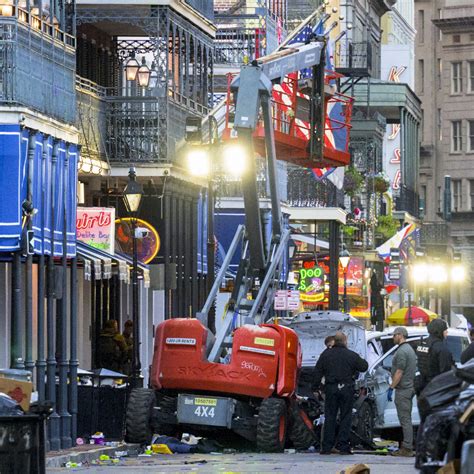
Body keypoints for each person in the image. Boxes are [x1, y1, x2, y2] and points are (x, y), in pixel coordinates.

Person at [312, 331, 369, 455]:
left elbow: (317, 372)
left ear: (334, 341)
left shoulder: (326, 354)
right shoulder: (351, 355)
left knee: (330, 417)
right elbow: (364, 366)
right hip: (346, 389)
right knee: (345, 417)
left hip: (331, 389)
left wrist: (315, 388)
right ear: (345, 341)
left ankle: (327, 447)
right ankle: (343, 446)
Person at [387, 327, 417, 457]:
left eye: (394, 336)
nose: (393, 338)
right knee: (406, 419)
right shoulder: (409, 349)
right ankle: (407, 446)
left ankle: (407, 448)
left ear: (400, 335)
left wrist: (391, 387)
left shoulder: (402, 351)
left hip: (403, 389)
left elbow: (399, 371)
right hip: (409, 388)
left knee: (405, 419)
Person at [415, 318, 454, 394]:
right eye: (445, 330)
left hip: (422, 386)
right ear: (440, 331)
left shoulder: (422, 343)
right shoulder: (441, 348)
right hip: (436, 388)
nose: (447, 332)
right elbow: (445, 372)